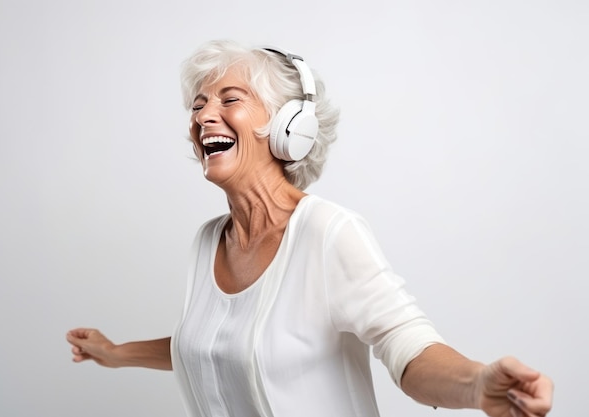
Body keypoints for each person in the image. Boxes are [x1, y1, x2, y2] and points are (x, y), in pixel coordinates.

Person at [66, 40, 553, 417]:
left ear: (288, 127)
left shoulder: (328, 233)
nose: (203, 116)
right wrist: (116, 352)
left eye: (228, 99)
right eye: (197, 104)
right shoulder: (206, 242)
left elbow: (409, 348)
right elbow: (211, 346)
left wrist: (476, 383)